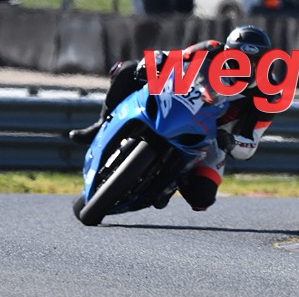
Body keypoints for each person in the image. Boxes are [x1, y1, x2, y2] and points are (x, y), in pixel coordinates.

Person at [68, 25, 277, 212]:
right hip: (177, 102)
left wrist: (229, 141)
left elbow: (249, 145)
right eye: (239, 58)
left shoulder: (269, 95)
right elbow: (172, 58)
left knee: (202, 198)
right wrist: (153, 63)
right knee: (127, 69)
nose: (245, 65)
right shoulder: (210, 48)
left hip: (212, 135)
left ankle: (171, 181)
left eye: (254, 61)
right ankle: (101, 124)